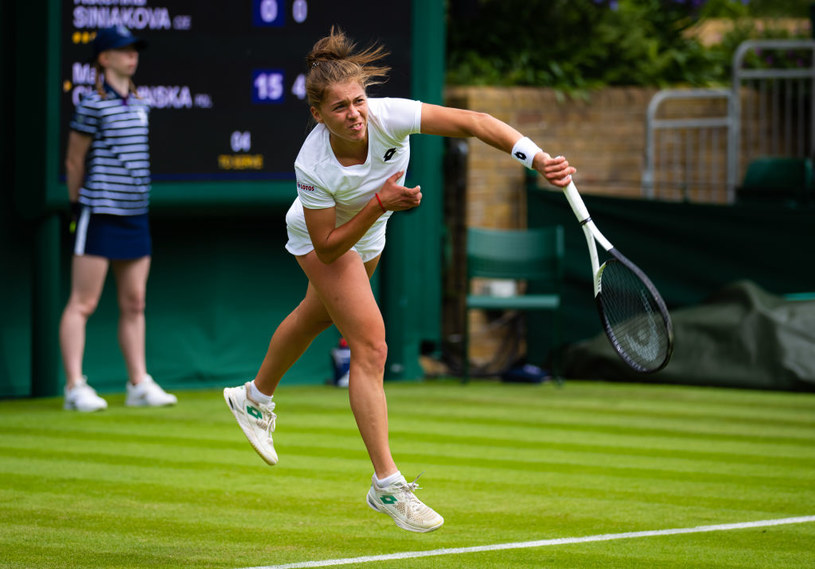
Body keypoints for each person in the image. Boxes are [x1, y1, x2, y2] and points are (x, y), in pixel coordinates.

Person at [223, 27, 574, 532]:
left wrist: (537, 158)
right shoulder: (312, 163)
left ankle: (253, 398)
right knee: (371, 346)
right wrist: (379, 204)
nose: (355, 113)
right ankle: (386, 486)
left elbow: (474, 122)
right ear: (318, 115)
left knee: (313, 315)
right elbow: (327, 246)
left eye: (359, 100)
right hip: (328, 233)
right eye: (340, 107)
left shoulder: (390, 116)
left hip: (369, 231)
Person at [60, 25, 177, 412]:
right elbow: (75, 160)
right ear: (104, 58)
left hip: (135, 215)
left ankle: (137, 383)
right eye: (123, 50)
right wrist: (79, 206)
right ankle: (75, 386)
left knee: (135, 302)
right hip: (99, 212)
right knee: (84, 302)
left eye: (134, 50)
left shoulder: (141, 104)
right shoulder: (91, 105)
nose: (132, 56)